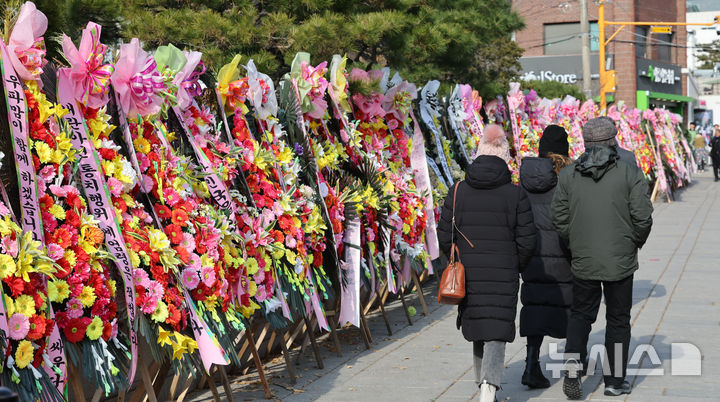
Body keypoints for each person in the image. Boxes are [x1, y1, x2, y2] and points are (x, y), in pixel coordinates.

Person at [551, 117, 653, 398]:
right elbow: (642, 217)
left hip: (583, 257)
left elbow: (558, 216)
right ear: (613, 141)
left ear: (586, 143)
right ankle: (614, 381)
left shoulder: (569, 175)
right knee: (618, 319)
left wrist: (575, 242)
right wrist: (633, 242)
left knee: (580, 316)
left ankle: (573, 369)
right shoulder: (629, 172)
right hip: (620, 259)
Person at [438, 124, 536, 402]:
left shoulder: (458, 190)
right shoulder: (515, 194)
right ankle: (488, 386)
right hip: (504, 271)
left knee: (479, 324)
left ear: (478, 154)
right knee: (497, 327)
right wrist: (517, 264)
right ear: (505, 157)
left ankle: (484, 383)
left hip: (468, 271)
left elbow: (445, 234)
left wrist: (457, 259)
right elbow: (527, 240)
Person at [518, 125, 574, 389]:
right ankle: (573, 367)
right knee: (571, 308)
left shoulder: (525, 179)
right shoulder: (568, 179)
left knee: (535, 306)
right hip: (563, 254)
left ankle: (531, 365)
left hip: (533, 256)